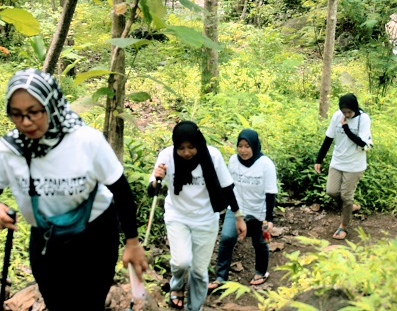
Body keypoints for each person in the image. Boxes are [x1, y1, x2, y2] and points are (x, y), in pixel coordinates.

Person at [0, 69, 147, 311]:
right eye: (17, 114)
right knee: (57, 303)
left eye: (34, 112)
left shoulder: (85, 141)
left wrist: (132, 243)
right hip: (46, 240)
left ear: (52, 105)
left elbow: (120, 189)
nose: (26, 122)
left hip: (95, 237)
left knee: (90, 303)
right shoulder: (9, 149)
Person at [149, 121, 247, 311]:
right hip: (178, 215)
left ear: (198, 143)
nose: (186, 153)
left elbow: (227, 187)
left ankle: (194, 307)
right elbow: (153, 191)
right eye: (182, 148)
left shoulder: (212, 155)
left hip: (205, 218)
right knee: (181, 262)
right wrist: (157, 178)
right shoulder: (167, 156)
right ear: (175, 146)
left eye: (191, 147)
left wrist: (238, 216)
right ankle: (176, 286)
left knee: (199, 271)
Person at [208, 129, 278, 290]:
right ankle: (221, 277)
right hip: (237, 209)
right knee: (226, 238)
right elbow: (227, 185)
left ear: (254, 146)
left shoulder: (265, 164)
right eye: (240, 146)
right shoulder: (233, 160)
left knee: (260, 242)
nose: (243, 150)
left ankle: (261, 272)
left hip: (259, 211)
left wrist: (269, 219)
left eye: (247, 146)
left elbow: (270, 193)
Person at [314, 93, 372, 240]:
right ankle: (349, 206)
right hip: (337, 161)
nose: (346, 115)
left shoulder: (363, 119)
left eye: (349, 112)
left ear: (355, 108)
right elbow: (328, 138)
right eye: (343, 112)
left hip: (354, 164)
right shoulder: (336, 116)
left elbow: (363, 144)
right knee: (331, 191)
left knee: (346, 195)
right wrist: (319, 160)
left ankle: (343, 227)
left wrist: (346, 128)